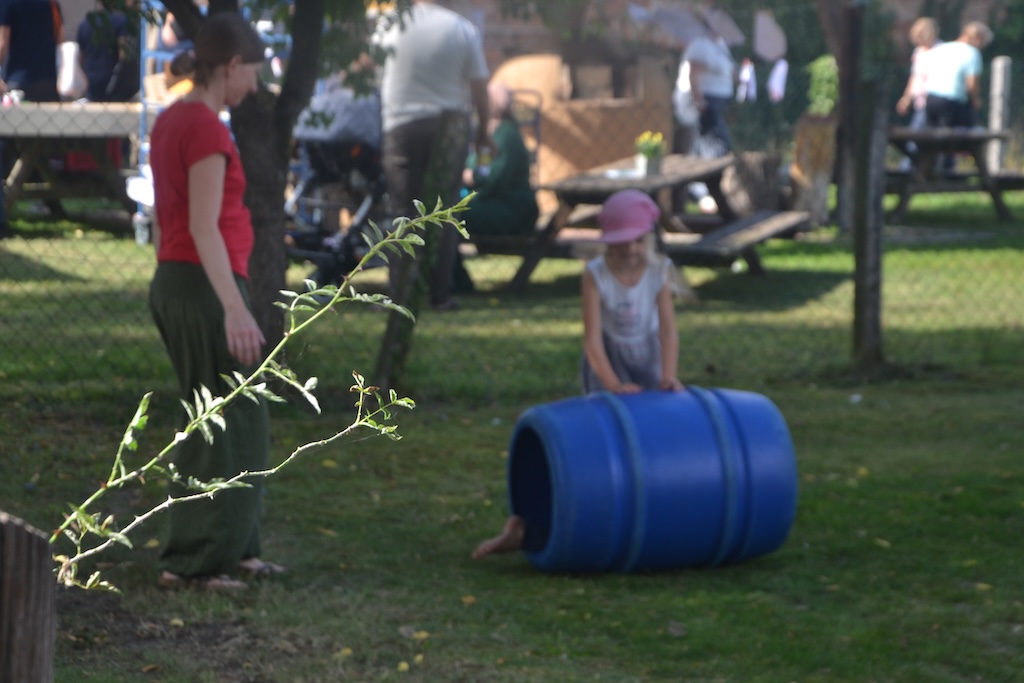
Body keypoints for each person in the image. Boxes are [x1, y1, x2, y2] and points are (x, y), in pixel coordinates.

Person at [473, 190, 685, 560]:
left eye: (637, 240)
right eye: (621, 241)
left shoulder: (658, 271)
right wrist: (613, 385)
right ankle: (522, 526)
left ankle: (651, 507)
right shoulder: (595, 275)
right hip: (608, 360)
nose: (630, 249)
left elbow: (668, 331)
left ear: (648, 238)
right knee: (607, 438)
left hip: (647, 358)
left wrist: (668, 376)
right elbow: (592, 339)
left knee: (653, 437)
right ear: (607, 241)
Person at [148, 12, 283, 591]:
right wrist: (234, 307)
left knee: (236, 416)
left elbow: (166, 219)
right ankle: (193, 561)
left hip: (180, 279)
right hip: (206, 285)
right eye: (252, 71)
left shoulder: (170, 119)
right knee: (221, 422)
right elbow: (203, 226)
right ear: (231, 66)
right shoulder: (204, 128)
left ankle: (237, 548)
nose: (254, 83)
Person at [376, 0, 490, 311]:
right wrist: (484, 132)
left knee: (402, 212)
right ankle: (439, 294)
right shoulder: (463, 29)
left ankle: (399, 293)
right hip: (448, 127)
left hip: (400, 125)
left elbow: (370, 66)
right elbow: (480, 88)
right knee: (444, 213)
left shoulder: (390, 25)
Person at [0, 0, 63, 236]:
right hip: (47, 85)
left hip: (18, 85)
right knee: (35, 148)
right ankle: (53, 203)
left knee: (7, 148)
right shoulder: (49, 3)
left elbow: (2, 42)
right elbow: (59, 37)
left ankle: (3, 215)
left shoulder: (7, 3)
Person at [675, 12, 737, 212]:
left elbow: (729, 72)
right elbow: (694, 75)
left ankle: (701, 194)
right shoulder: (701, 44)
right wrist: (699, 102)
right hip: (699, 102)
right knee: (715, 146)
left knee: (701, 148)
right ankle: (707, 195)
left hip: (713, 103)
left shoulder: (719, 45)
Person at [460, 81, 538, 238]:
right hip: (492, 202)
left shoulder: (506, 135)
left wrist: (471, 176)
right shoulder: (492, 134)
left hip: (510, 209)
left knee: (451, 216)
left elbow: (492, 177)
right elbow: (482, 167)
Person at [923, 21, 993, 131]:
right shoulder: (972, 53)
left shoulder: (941, 48)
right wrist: (975, 100)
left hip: (930, 98)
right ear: (978, 38)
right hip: (951, 101)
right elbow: (972, 84)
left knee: (931, 136)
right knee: (949, 137)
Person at [76, 0, 141, 102]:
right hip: (116, 90)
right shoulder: (122, 21)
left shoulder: (85, 22)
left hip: (92, 88)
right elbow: (124, 57)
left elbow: (81, 59)